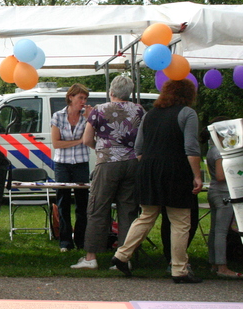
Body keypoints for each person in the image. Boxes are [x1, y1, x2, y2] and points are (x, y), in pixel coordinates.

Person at [111, 79, 203, 284]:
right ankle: (179, 269)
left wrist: (152, 165)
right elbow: (191, 148)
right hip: (176, 170)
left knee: (146, 215)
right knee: (180, 221)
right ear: (188, 95)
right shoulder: (187, 114)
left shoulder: (150, 114)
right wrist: (197, 175)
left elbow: (138, 148)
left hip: (148, 169)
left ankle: (121, 255)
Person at [70, 76, 143, 270]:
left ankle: (91, 257)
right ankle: (123, 258)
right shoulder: (139, 110)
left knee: (97, 208)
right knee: (128, 211)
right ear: (129, 93)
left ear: (111, 92)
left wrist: (101, 149)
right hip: (132, 163)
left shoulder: (99, 111)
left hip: (108, 163)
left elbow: (86, 139)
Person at [50, 83, 92, 252]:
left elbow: (91, 138)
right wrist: (79, 141)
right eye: (80, 98)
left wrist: (91, 119)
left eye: (85, 98)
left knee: (82, 203)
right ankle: (65, 241)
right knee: (63, 202)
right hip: (63, 164)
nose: (83, 101)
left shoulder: (87, 116)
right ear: (70, 97)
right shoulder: (58, 116)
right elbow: (56, 143)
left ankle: (81, 240)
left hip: (81, 162)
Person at [201, 116, 243, 279]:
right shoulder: (220, 151)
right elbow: (220, 175)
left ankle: (214, 263)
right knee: (221, 230)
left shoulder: (212, 149)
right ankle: (222, 266)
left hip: (215, 192)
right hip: (224, 193)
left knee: (215, 230)